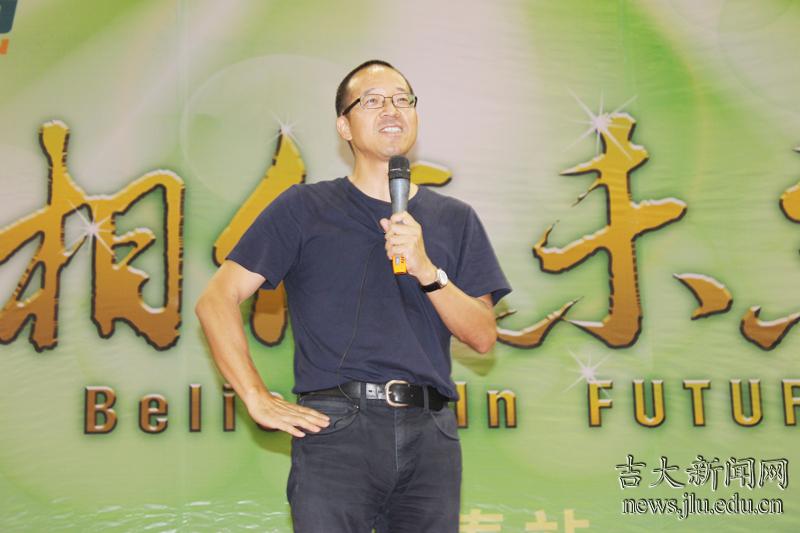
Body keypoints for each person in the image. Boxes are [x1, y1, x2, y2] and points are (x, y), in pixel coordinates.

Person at [195, 59, 511, 532]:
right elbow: (216, 299)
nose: (392, 110)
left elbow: (483, 336)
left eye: (403, 100)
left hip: (431, 433)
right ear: (344, 125)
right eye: (373, 101)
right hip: (337, 429)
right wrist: (254, 395)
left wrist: (427, 270)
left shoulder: (455, 218)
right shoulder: (304, 207)